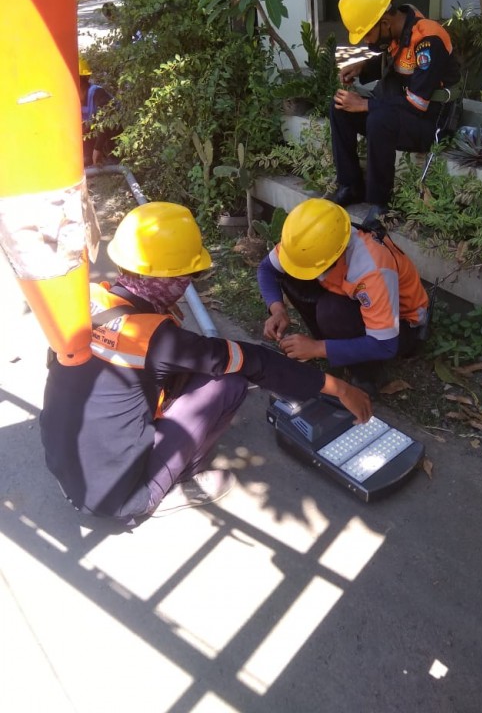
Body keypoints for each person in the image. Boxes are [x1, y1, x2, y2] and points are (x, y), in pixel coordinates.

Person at [40, 202, 371, 525]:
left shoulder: (85, 302)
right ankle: (170, 485)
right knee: (228, 382)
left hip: (63, 469)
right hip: (121, 497)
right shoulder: (155, 339)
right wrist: (339, 388)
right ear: (171, 278)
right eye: (191, 274)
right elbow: (251, 360)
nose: (190, 283)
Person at [257, 198, 429, 393]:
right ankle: (333, 344)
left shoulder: (371, 269)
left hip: (402, 328)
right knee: (292, 275)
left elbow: (385, 345)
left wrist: (317, 348)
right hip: (353, 298)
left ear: (336, 254)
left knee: (331, 311)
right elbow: (266, 269)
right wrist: (277, 309)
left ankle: (367, 375)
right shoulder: (307, 243)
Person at [330, 0, 461, 223]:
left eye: (367, 34)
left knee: (378, 119)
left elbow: (418, 104)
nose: (366, 41)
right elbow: (398, 61)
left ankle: (379, 204)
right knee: (339, 108)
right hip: (401, 112)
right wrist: (362, 68)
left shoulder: (428, 40)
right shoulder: (398, 32)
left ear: (385, 22)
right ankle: (350, 185)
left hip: (432, 122)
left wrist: (364, 104)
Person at [78, 55, 120, 167]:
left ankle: (113, 161)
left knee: (111, 126)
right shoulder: (72, 97)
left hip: (110, 139)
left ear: (84, 79)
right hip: (92, 137)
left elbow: (108, 119)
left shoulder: (97, 93)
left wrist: (98, 148)